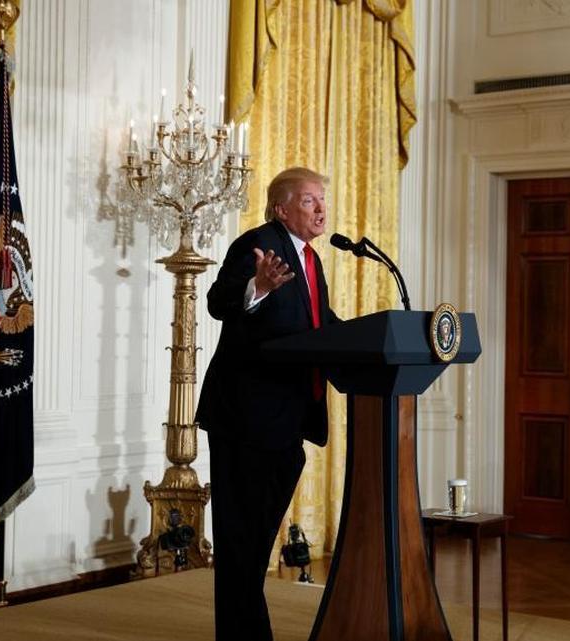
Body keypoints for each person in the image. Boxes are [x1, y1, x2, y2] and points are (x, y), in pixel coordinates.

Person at [197, 166, 339, 640]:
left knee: (254, 542)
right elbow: (220, 302)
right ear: (281, 208)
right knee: (241, 539)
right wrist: (257, 287)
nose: (320, 209)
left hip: (286, 421)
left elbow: (322, 325)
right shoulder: (257, 245)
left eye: (321, 200)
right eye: (308, 200)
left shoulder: (311, 260)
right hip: (245, 418)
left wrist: (378, 336)